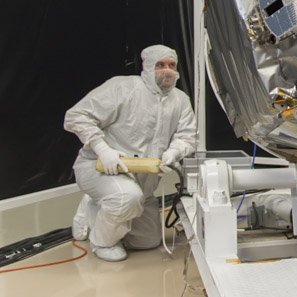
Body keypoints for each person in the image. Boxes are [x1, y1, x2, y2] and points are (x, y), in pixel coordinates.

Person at [64, 45, 197, 262]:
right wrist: (102, 149)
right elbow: (76, 116)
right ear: (147, 67)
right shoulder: (123, 88)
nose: (167, 71)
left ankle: (99, 207)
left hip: (144, 181)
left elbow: (187, 136)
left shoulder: (180, 100)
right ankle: (102, 241)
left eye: (172, 65)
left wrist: (174, 151)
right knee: (126, 197)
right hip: (101, 169)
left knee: (148, 241)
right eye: (160, 65)